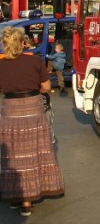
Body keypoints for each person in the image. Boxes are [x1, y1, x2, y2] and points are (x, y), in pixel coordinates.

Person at [0, 26, 65, 216]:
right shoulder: (35, 61)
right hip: (32, 109)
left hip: (10, 110)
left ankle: (15, 196)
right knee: (32, 152)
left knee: (13, 154)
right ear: (22, 43)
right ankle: (27, 201)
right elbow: (45, 87)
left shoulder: (1, 64)